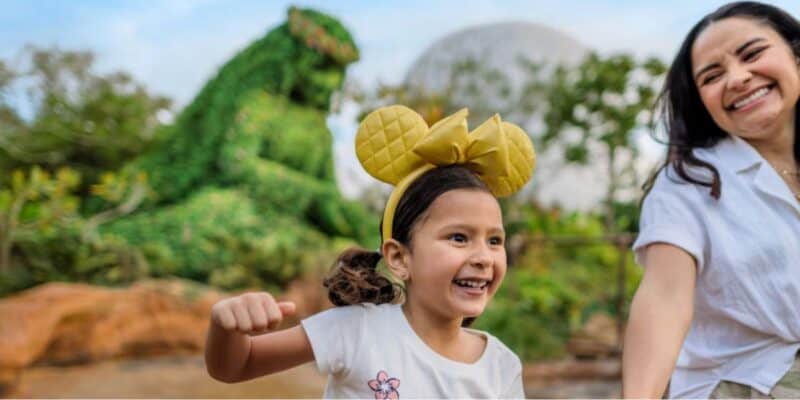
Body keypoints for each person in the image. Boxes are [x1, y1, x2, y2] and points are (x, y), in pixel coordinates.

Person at [204, 105, 535, 398]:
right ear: (399, 258)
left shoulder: (501, 366)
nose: (482, 257)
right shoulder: (356, 330)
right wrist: (226, 328)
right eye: (459, 238)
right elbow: (236, 366)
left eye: (494, 241)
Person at [623, 2, 800, 398]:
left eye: (752, 54)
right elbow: (664, 298)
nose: (737, 78)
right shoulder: (688, 183)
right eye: (712, 76)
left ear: (796, 55)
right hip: (748, 384)